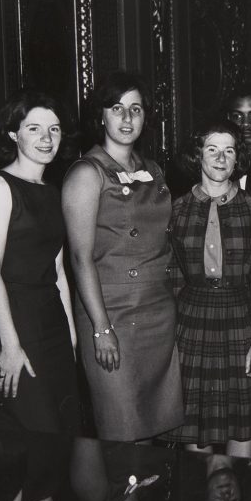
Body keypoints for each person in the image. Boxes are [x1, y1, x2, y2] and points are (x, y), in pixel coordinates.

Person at [62, 71, 183, 442]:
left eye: (136, 109)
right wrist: (101, 329)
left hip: (157, 315)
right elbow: (80, 258)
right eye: (117, 108)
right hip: (112, 314)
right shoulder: (87, 173)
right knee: (122, 432)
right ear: (101, 116)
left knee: (156, 436)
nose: (127, 118)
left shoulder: (154, 170)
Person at [167, 118, 251, 456]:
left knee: (242, 434)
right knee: (193, 435)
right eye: (212, 149)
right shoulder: (177, 210)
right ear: (198, 155)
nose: (220, 157)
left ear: (236, 159)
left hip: (239, 320)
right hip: (191, 322)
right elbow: (171, 276)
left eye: (229, 150)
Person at [0, 91, 79, 434]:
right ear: (13, 134)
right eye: (34, 129)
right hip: (13, 319)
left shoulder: (53, 191)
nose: (46, 138)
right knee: (35, 430)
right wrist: (9, 344)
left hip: (51, 319)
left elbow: (60, 271)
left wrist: (71, 335)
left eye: (54, 129)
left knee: (62, 432)